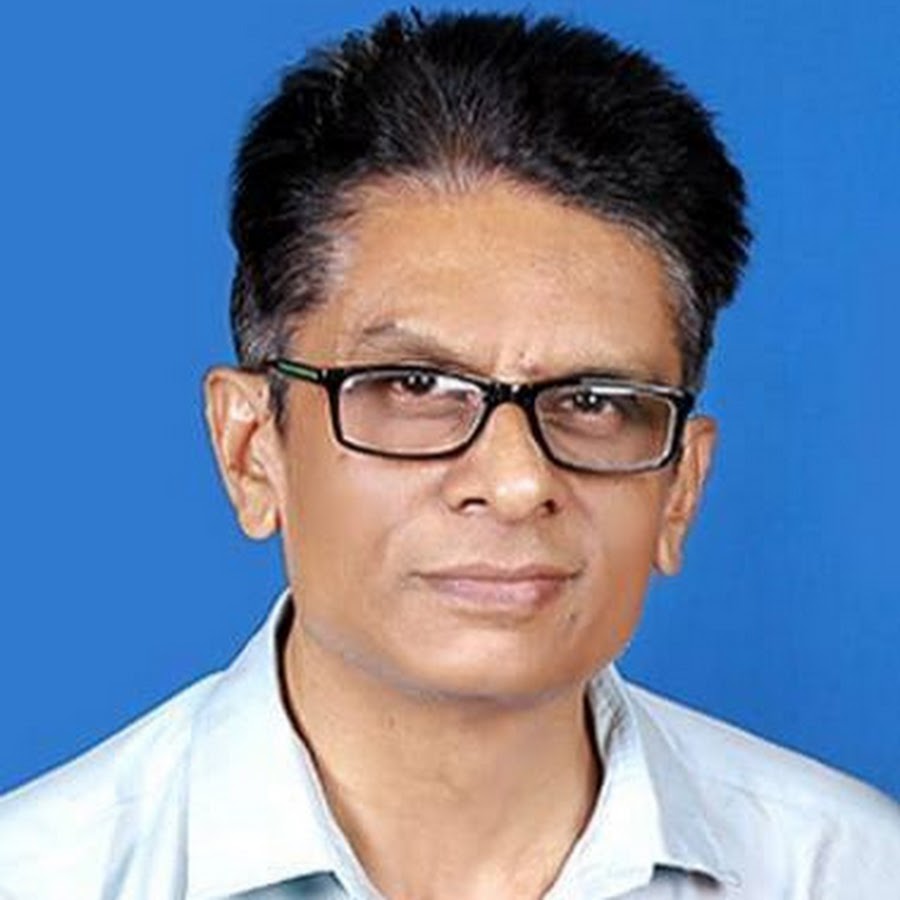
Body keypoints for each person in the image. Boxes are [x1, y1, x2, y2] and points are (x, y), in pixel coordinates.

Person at [1, 8, 897, 899]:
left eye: (593, 402)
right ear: (250, 450)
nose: (516, 482)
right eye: (414, 386)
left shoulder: (850, 871)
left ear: (681, 489)